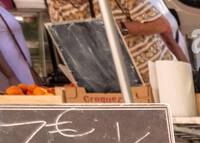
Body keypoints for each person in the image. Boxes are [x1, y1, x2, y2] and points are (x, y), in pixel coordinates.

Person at [45, 0, 185, 84]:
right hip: (110, 82)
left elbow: (162, 25)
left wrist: (123, 28)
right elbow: (67, 41)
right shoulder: (57, 4)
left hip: (154, 79)